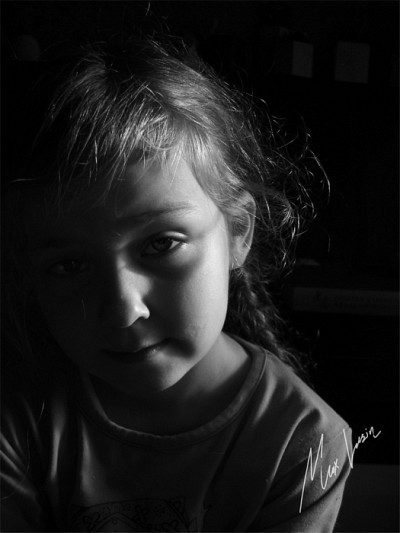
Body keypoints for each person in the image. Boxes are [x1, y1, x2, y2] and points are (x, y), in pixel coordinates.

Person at [1, 34, 352, 532]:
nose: (124, 310)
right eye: (69, 266)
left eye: (161, 244)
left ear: (238, 231)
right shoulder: (19, 418)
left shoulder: (304, 443)